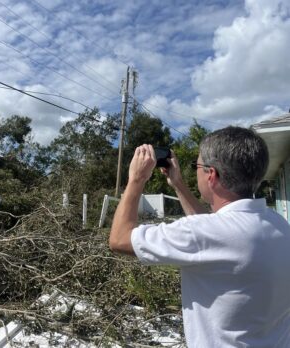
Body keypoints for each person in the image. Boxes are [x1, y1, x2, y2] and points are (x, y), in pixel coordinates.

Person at [109, 126, 290, 347]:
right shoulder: (278, 224)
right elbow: (214, 231)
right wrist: (178, 185)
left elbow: (119, 238)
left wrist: (136, 179)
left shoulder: (205, 233)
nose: (195, 171)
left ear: (211, 175)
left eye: (197, 166)